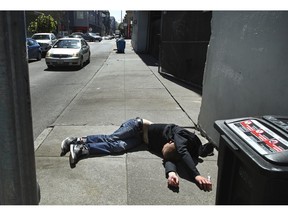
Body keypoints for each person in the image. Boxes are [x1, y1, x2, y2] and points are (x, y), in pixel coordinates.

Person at [60, 117, 214, 192]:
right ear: (174, 141)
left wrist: (171, 174)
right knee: (113, 138)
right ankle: (77, 140)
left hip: (141, 140)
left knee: (118, 147)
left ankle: (81, 149)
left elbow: (170, 158)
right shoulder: (182, 135)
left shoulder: (180, 151)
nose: (164, 146)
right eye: (168, 144)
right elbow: (180, 151)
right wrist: (196, 176)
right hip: (137, 126)